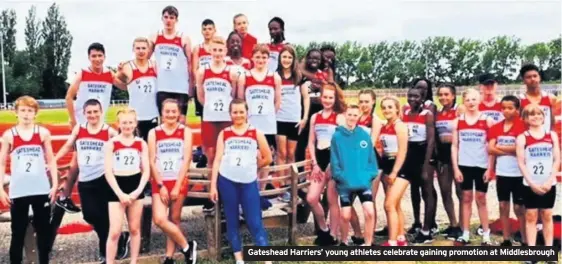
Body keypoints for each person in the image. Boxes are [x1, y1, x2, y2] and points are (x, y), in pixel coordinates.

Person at [209, 99, 273, 264]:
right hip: (227, 181)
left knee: (254, 221)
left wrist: (253, 165)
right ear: (230, 114)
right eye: (235, 112)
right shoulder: (224, 133)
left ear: (247, 113)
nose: (238, 115)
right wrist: (212, 186)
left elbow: (268, 158)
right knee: (232, 219)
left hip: (248, 182)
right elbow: (217, 160)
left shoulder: (255, 132)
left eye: (241, 112)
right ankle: (239, 258)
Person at [54, 99, 118, 263]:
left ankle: (105, 253)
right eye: (89, 112)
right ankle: (118, 239)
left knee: (104, 216)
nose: (92, 115)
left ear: (101, 111)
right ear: (84, 113)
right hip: (85, 179)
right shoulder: (79, 129)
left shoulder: (108, 132)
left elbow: (122, 146)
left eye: (95, 111)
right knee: (90, 215)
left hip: (103, 179)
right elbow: (68, 145)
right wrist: (54, 159)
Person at [58, 42, 116, 213]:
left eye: (100, 55)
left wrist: (123, 71)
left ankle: (94, 194)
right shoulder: (82, 74)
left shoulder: (109, 74)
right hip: (84, 123)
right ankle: (64, 196)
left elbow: (124, 83)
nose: (97, 59)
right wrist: (73, 120)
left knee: (96, 157)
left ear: (104, 57)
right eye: (93, 56)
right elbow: (69, 96)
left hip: (98, 122)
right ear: (89, 57)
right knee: (77, 159)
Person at [0, 96, 58, 264]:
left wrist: (54, 185)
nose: (26, 114)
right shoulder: (10, 135)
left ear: (35, 113)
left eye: (30, 111)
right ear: (16, 113)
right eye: (23, 110)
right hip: (19, 190)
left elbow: (51, 159)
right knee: (17, 232)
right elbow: (2, 162)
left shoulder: (42, 133)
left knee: (43, 232)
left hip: (40, 189)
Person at [148, 99, 196, 264]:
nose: (170, 114)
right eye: (167, 111)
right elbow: (152, 160)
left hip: (178, 180)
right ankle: (187, 246)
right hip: (160, 181)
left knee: (174, 219)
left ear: (179, 113)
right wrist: (161, 185)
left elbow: (186, 159)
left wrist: (176, 186)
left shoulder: (186, 132)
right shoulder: (154, 132)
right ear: (162, 112)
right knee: (160, 219)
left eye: (173, 111)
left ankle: (169, 258)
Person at [196, 36, 238, 213]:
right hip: (209, 119)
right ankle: (210, 197)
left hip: (226, 119)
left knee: (227, 156)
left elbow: (234, 95)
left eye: (221, 50)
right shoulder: (202, 71)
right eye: (215, 50)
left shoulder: (232, 72)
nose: (218, 53)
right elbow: (200, 96)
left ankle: (228, 195)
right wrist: (210, 109)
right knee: (211, 158)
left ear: (225, 51)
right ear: (210, 51)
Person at [104, 108, 150, 264]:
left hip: (135, 184)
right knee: (115, 231)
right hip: (117, 186)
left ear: (135, 123)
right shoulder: (112, 144)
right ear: (118, 124)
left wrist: (138, 191)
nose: (127, 125)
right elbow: (108, 172)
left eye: (130, 122)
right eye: (124, 122)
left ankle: (134, 261)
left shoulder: (141, 143)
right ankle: (110, 261)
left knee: (135, 228)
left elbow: (146, 171)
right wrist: (119, 193)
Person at [451, 88, 494, 246]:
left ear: (479, 100)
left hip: (481, 165)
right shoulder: (458, 122)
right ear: (464, 101)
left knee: (481, 199)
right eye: (468, 100)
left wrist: (490, 168)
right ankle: (466, 233)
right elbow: (454, 146)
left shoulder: (487, 120)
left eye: (474, 99)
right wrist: (456, 168)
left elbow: (491, 147)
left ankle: (486, 235)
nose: (471, 102)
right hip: (465, 165)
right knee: (466, 198)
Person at [331, 105, 378, 246]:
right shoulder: (337, 136)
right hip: (345, 184)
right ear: (345, 115)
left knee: (369, 211)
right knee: (345, 215)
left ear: (359, 117)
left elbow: (371, 160)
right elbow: (334, 161)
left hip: (363, 182)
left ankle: (368, 243)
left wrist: (369, 175)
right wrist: (340, 176)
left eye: (355, 115)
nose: (352, 118)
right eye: (349, 114)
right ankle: (344, 242)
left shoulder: (364, 135)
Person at [306, 83, 346, 245]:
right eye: (325, 97)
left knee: (331, 200)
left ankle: (333, 234)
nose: (327, 100)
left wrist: (333, 163)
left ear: (335, 98)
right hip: (319, 160)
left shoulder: (340, 117)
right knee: (311, 198)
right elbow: (311, 142)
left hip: (335, 160)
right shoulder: (315, 117)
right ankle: (323, 229)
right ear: (320, 97)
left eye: (331, 97)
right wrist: (315, 164)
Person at [516, 105, 559, 250]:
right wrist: (531, 183)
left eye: (539, 114)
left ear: (543, 116)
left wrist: (549, 180)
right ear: (526, 119)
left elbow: (557, 160)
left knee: (547, 215)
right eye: (532, 115)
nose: (536, 117)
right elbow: (521, 163)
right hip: (530, 184)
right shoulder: (523, 138)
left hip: (548, 183)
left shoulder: (551, 135)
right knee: (531, 216)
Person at [487, 95, 526, 246]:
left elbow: (521, 148)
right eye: (503, 108)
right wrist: (512, 150)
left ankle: (524, 239)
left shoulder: (523, 126)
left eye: (510, 108)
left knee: (519, 208)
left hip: (518, 173)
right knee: (503, 205)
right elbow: (490, 148)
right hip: (502, 173)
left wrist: (500, 148)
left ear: (517, 109)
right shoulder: (496, 127)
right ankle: (506, 238)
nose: (506, 111)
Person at [402, 78, 438, 236]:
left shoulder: (427, 114)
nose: (412, 99)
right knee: (414, 190)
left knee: (427, 190)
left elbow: (430, 141)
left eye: (416, 97)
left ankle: (427, 228)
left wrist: (426, 165)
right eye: (410, 96)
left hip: (424, 152)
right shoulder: (405, 113)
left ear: (423, 98)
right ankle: (416, 222)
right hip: (410, 153)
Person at [150, 5, 193, 124]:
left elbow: (190, 65)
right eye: (166, 17)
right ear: (162, 18)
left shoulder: (183, 38)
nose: (168, 20)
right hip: (162, 86)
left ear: (176, 20)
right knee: (164, 122)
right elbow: (145, 58)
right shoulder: (155, 37)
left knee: (181, 122)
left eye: (172, 17)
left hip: (180, 87)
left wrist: (190, 87)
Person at [275, 45, 308, 198]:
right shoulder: (275, 76)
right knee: (281, 153)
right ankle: (281, 187)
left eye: (289, 57)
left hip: (294, 120)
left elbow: (306, 98)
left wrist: (304, 117)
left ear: (293, 59)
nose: (286, 60)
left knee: (291, 154)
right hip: (279, 119)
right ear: (280, 58)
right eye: (284, 57)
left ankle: (290, 185)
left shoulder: (298, 77)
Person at [237, 44, 282, 151]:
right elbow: (241, 101)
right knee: (251, 153)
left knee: (268, 155)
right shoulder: (245, 76)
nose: (260, 60)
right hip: (251, 123)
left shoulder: (274, 77)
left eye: (264, 57)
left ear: (268, 59)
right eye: (257, 57)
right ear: (252, 57)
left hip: (268, 124)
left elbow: (277, 101)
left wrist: (269, 114)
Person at [378, 96, 409, 246]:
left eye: (390, 107)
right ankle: (401, 237)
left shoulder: (400, 126)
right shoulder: (385, 125)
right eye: (384, 107)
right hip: (387, 165)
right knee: (395, 205)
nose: (387, 110)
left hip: (400, 167)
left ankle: (392, 242)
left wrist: (395, 172)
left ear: (397, 108)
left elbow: (403, 151)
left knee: (388, 204)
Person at [115, 37, 159, 140]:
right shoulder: (128, 66)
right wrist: (120, 72)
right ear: (133, 49)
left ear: (148, 50)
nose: (141, 51)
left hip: (152, 114)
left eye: (143, 48)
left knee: (150, 148)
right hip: (135, 116)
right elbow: (121, 80)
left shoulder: (154, 65)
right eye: (138, 48)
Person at [435, 84, 463, 240]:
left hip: (459, 155)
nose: (443, 97)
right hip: (443, 156)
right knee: (445, 191)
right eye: (440, 94)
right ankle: (453, 224)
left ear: (453, 96)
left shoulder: (460, 109)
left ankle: (462, 225)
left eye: (447, 94)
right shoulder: (437, 113)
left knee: (460, 192)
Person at [295, 49, 327, 165]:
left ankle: (319, 167)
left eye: (317, 59)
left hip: (318, 111)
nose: (314, 60)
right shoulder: (301, 73)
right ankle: (300, 172)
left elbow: (323, 94)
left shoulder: (322, 74)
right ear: (306, 59)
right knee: (301, 143)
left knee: (319, 141)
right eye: (311, 58)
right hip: (304, 111)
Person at [519, 64, 556, 131]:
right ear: (523, 80)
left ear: (539, 77)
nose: (532, 79)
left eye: (535, 76)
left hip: (546, 139)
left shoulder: (550, 98)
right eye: (528, 77)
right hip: (527, 139)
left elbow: (553, 122)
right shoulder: (520, 100)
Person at [192, 19, 217, 118]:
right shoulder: (198, 48)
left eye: (210, 29)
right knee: (204, 115)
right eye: (204, 29)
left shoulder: (218, 48)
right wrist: (199, 85)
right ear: (201, 31)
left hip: (215, 84)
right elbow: (194, 69)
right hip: (202, 85)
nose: (207, 31)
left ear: (214, 30)